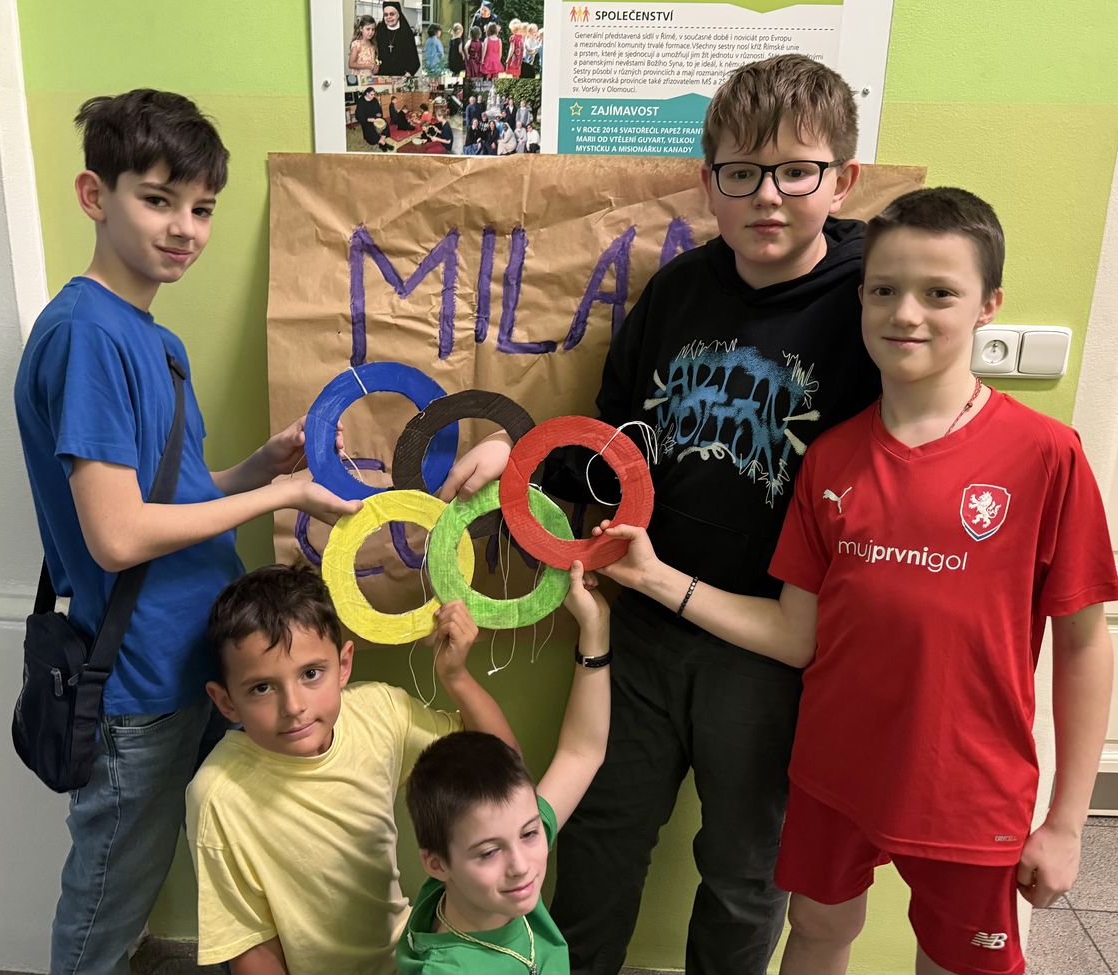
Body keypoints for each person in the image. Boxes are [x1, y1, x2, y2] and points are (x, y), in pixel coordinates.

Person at [592, 187, 1118, 975]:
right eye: (884, 290)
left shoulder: (1046, 456)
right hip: (831, 775)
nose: (906, 313)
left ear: (989, 305)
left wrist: (1067, 823)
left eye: (939, 293)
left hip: (970, 786)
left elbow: (1084, 645)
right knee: (815, 930)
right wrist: (655, 577)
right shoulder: (830, 458)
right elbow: (794, 633)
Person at [437, 54, 877, 975]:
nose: (768, 196)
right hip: (642, 622)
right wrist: (521, 461)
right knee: (601, 838)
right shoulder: (676, 292)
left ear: (843, 180)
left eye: (796, 171)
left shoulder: (872, 301)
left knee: (744, 869)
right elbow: (613, 448)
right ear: (708, 183)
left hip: (769, 642)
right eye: (741, 172)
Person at [12, 89, 362, 975]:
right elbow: (118, 535)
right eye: (158, 199)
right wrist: (279, 494)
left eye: (202, 208)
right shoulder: (88, 336)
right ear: (95, 195)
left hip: (199, 658)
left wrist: (258, 468)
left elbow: (171, 499)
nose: (185, 229)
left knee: (231, 854)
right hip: (137, 680)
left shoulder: (151, 339)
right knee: (108, 902)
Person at [187, 565, 520, 973]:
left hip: (413, 959)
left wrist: (457, 677)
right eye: (262, 688)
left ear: (344, 665)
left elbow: (505, 776)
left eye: (311, 674)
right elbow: (251, 948)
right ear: (226, 702)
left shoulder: (381, 712)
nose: (294, 707)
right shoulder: (217, 795)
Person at [396, 563, 612, 972]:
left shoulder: (493, 864)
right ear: (437, 864)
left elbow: (582, 752)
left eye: (531, 833)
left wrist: (595, 627)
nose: (521, 866)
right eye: (489, 852)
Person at [375, 0, 420, 78]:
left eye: (392, 14)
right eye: (386, 14)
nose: (389, 17)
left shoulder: (406, 33)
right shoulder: (379, 30)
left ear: (399, 15)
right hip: (381, 75)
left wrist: (407, 75)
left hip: (401, 76)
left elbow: (414, 61)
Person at [356, 87, 396, 151]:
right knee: (370, 129)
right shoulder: (361, 102)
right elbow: (358, 116)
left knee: (385, 123)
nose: (373, 96)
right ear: (367, 93)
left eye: (374, 94)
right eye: (371, 94)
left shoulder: (374, 100)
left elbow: (379, 109)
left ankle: (381, 142)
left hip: (375, 117)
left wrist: (379, 114)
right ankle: (384, 144)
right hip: (366, 120)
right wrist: (368, 119)